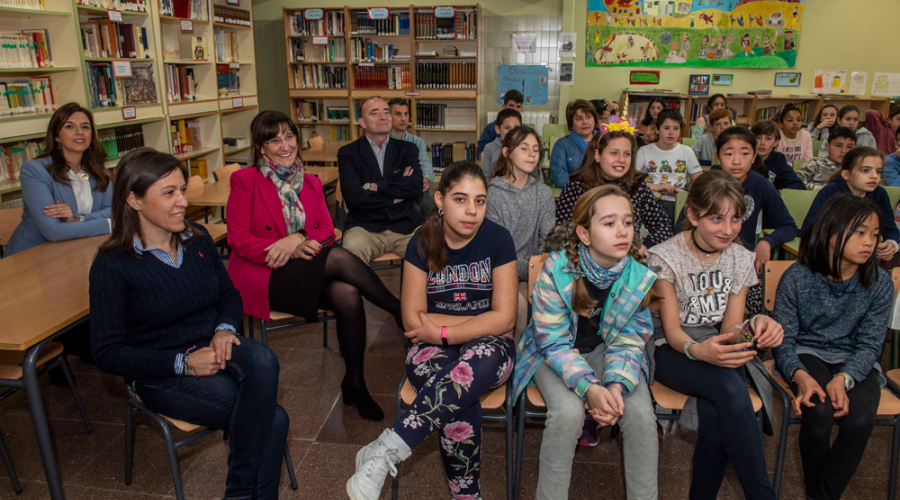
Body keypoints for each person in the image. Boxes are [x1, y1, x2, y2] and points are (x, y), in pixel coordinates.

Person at [89, 148, 288, 499]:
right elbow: (107, 353)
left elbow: (229, 295)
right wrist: (182, 363)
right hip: (161, 370)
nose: (182, 201)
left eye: (182, 189)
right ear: (134, 200)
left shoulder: (196, 238)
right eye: (169, 193)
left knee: (265, 360)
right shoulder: (112, 264)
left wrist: (224, 329)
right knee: (273, 420)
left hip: (212, 343)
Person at [346, 161, 518, 500]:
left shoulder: (498, 239)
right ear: (439, 200)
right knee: (460, 395)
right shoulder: (421, 242)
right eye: (460, 199)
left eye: (480, 201)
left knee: (474, 367)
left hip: (485, 351)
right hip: (433, 351)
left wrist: (440, 330)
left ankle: (390, 446)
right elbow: (412, 320)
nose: (472, 211)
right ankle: (466, 495)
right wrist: (478, 321)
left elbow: (505, 319)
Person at [227, 110, 403, 421]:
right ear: (261, 147)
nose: (285, 146)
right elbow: (237, 238)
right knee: (336, 257)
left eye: (289, 137)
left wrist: (299, 236)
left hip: (304, 271)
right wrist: (282, 247)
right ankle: (398, 309)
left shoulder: (308, 181)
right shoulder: (244, 180)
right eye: (274, 140)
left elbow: (325, 227)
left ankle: (355, 383)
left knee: (347, 293)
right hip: (266, 274)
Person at [512, 184, 659, 500]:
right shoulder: (556, 268)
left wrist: (615, 386)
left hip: (606, 351)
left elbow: (630, 340)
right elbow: (552, 343)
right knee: (568, 414)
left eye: (628, 222)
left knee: (641, 415)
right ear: (584, 234)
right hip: (551, 353)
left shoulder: (637, 274)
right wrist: (591, 389)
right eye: (609, 223)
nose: (622, 231)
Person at [648, 169, 783, 500]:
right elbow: (672, 330)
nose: (728, 229)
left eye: (736, 219)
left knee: (717, 412)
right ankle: (762, 493)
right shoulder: (665, 255)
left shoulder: (740, 257)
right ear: (693, 215)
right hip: (670, 347)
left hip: (716, 342)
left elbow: (731, 328)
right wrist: (699, 351)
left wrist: (755, 327)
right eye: (717, 219)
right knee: (728, 389)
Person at [774, 194, 893, 500]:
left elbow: (870, 344)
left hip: (856, 360)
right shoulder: (797, 277)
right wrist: (799, 374)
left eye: (875, 234)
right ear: (830, 232)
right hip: (806, 354)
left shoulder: (880, 282)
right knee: (819, 413)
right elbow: (784, 340)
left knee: (861, 420)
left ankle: (823, 496)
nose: (870, 242)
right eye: (860, 232)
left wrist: (845, 377)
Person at [705, 127, 798, 314]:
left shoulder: (761, 185)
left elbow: (788, 226)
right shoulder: (706, 184)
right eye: (729, 153)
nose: (737, 161)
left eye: (745, 153)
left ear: (754, 157)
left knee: (769, 307)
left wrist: (767, 242)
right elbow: (682, 228)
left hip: (742, 266)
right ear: (717, 156)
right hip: (703, 264)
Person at [6, 102, 113, 255]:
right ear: (56, 136)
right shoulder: (35, 171)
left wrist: (78, 219)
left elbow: (112, 211)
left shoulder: (97, 169)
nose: (79, 132)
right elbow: (53, 231)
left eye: (85, 127)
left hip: (77, 251)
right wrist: (110, 225)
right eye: (70, 127)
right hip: (33, 256)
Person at [337, 96, 424, 264]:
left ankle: (414, 291)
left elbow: (415, 186)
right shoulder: (348, 153)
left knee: (432, 249)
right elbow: (354, 198)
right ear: (362, 122)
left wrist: (375, 186)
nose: (383, 117)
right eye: (375, 113)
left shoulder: (407, 150)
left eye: (386, 112)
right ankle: (370, 291)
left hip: (406, 226)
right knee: (349, 254)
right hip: (365, 228)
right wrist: (395, 196)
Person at [486, 125, 554, 339]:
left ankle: (529, 361)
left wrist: (537, 268)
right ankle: (512, 362)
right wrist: (530, 268)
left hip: (533, 271)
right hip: (498, 269)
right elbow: (495, 248)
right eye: (524, 148)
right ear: (506, 152)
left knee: (539, 304)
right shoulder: (493, 193)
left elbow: (549, 240)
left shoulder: (543, 194)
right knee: (519, 306)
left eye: (536, 149)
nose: (532, 154)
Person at [557, 130, 672, 251]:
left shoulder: (637, 187)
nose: (621, 159)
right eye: (614, 153)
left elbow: (663, 227)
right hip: (585, 261)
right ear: (597, 155)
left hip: (626, 260)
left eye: (627, 154)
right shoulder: (575, 189)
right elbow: (563, 235)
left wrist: (641, 250)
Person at [801, 147, 899, 262]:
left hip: (864, 258)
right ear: (846, 174)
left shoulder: (880, 194)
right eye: (865, 170)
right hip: (828, 257)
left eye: (878, 171)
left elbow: (890, 228)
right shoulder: (831, 191)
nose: (874, 176)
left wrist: (891, 243)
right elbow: (809, 229)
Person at [635, 109, 702, 219]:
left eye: (676, 128)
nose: (671, 133)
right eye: (666, 128)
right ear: (657, 129)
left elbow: (700, 181)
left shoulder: (686, 151)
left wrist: (687, 193)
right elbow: (634, 182)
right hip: (651, 201)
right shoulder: (644, 151)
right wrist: (657, 187)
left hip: (679, 202)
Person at [388, 97, 434, 196]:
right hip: (391, 187)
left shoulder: (417, 141)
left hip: (414, 185)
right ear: (389, 116)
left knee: (429, 207)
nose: (403, 119)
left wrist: (426, 178)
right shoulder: (383, 141)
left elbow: (425, 162)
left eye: (406, 114)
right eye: (398, 114)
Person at [550, 99, 599, 188]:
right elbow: (559, 177)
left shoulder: (604, 141)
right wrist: (582, 189)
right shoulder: (562, 145)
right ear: (571, 123)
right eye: (579, 119)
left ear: (594, 120)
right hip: (574, 194)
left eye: (588, 117)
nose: (585, 122)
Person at [750, 120, 805, 190]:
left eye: (768, 138)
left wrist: (777, 194)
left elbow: (798, 185)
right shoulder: (745, 159)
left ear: (776, 142)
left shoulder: (778, 159)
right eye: (758, 138)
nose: (762, 143)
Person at [476, 90, 524, 158]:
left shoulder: (525, 129)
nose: (514, 109)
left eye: (518, 106)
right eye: (511, 105)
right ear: (504, 106)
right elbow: (480, 154)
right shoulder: (491, 128)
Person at [480, 108, 522, 177]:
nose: (512, 132)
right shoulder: (489, 148)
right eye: (507, 128)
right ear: (498, 129)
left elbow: (537, 179)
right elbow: (486, 176)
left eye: (516, 128)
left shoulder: (526, 148)